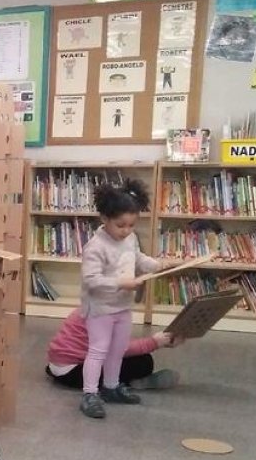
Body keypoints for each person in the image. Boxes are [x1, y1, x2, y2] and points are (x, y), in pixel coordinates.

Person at [78, 179, 174, 419]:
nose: (127, 230)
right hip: (100, 308)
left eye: (132, 225)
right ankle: (89, 394)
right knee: (98, 350)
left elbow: (137, 257)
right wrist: (122, 283)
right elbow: (91, 280)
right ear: (105, 219)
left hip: (122, 306)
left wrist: (158, 265)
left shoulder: (129, 239)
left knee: (118, 349)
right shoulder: (96, 246)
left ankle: (111, 387)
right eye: (121, 225)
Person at [46, 308, 183, 391]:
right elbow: (118, 349)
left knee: (141, 357)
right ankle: (131, 383)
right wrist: (154, 343)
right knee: (143, 362)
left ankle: (123, 382)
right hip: (73, 371)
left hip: (61, 366)